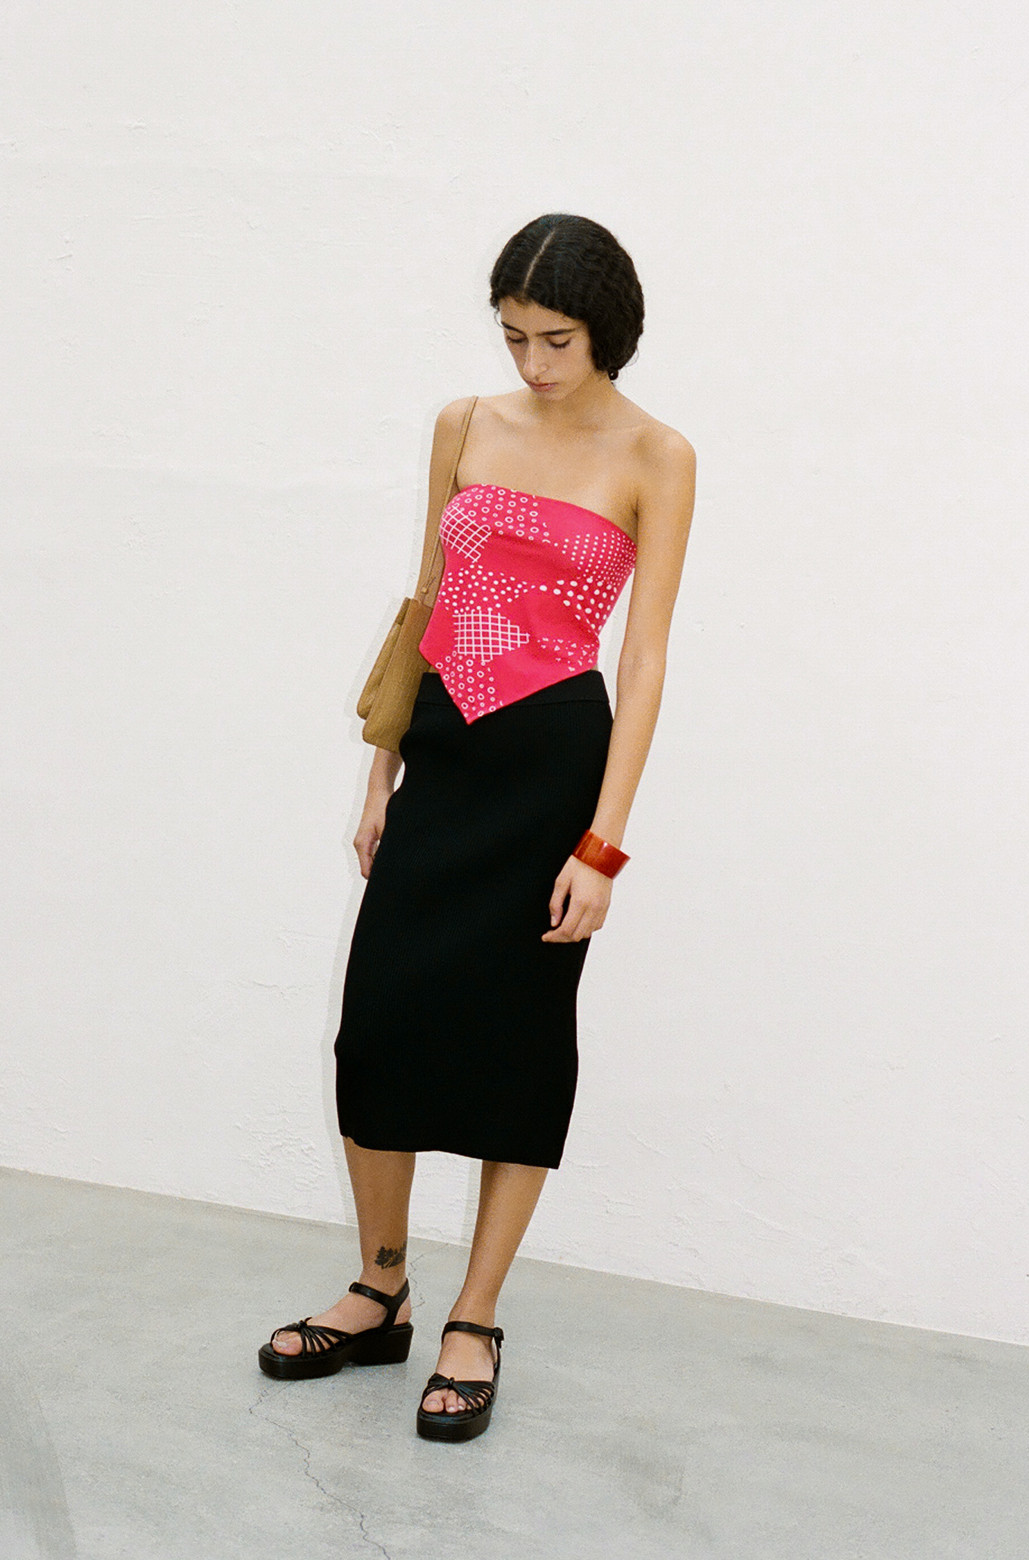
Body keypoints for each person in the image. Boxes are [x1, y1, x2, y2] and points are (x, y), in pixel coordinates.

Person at [257, 213, 697, 1442]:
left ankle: (476, 1315)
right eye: (512, 337)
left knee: (517, 1045)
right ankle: (379, 1290)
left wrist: (601, 846)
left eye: (555, 339)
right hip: (442, 755)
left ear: (605, 330)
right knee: (376, 1030)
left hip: (552, 772)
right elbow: (428, 599)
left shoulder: (656, 454)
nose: (531, 363)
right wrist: (379, 777)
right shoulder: (463, 424)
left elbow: (644, 659)